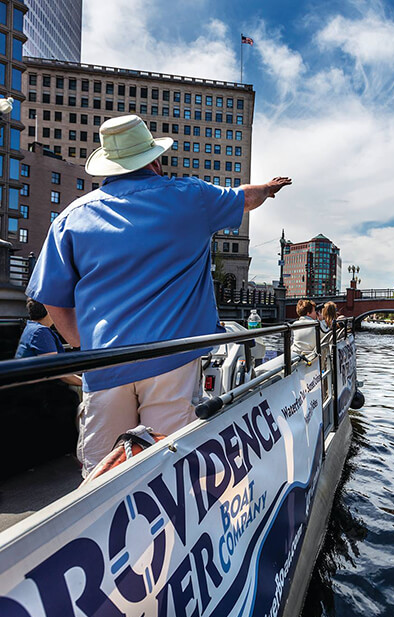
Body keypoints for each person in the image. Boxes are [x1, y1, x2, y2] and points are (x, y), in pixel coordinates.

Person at [26, 114, 292, 476]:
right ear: (155, 159)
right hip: (172, 359)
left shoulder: (71, 217)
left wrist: (81, 343)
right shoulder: (191, 197)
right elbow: (246, 198)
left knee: (102, 473)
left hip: (105, 364)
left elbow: (53, 299)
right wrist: (268, 188)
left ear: (108, 164)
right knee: (169, 468)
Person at [15, 298, 82, 386]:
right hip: (37, 391)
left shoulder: (31, 327)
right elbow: (56, 369)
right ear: (49, 310)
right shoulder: (41, 332)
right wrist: (85, 383)